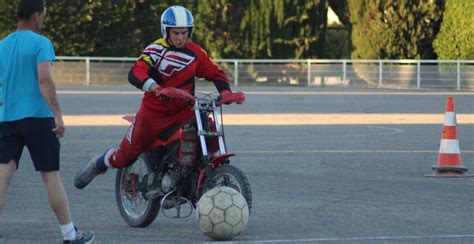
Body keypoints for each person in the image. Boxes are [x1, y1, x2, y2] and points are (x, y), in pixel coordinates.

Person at [74, 5, 244, 190]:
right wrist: (157, 88)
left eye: (184, 33)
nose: (180, 37)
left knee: (208, 126)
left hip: (185, 111)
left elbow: (215, 72)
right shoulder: (155, 50)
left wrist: (226, 92)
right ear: (166, 31)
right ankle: (98, 163)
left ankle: (203, 172)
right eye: (176, 33)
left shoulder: (196, 52)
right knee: (125, 156)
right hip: (153, 115)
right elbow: (135, 73)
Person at [0, 0, 95, 243]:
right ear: (35, 16)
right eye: (43, 15)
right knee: (50, 176)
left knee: (3, 175)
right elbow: (44, 80)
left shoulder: (3, 45)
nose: (43, 19)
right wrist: (58, 114)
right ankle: (69, 234)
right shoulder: (41, 43)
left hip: (8, 118)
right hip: (39, 118)